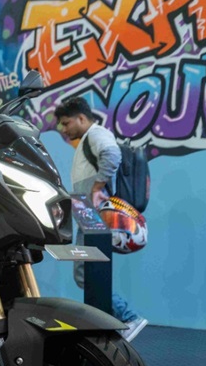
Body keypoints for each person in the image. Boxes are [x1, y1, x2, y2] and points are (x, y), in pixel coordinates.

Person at [54, 96, 148, 342]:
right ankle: (105, 326)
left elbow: (112, 154)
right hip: (85, 210)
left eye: (66, 123)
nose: (64, 129)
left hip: (92, 212)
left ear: (81, 118)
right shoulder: (87, 139)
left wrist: (96, 188)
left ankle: (128, 317)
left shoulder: (96, 134)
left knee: (88, 272)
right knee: (85, 272)